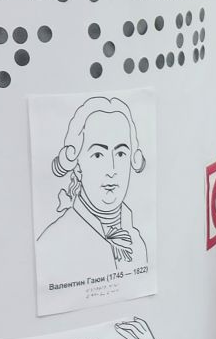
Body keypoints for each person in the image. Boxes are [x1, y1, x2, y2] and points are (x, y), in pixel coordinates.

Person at [36, 96, 148, 285]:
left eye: (121, 153)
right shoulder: (51, 244)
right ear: (77, 166)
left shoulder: (137, 241)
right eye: (98, 155)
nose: (112, 169)